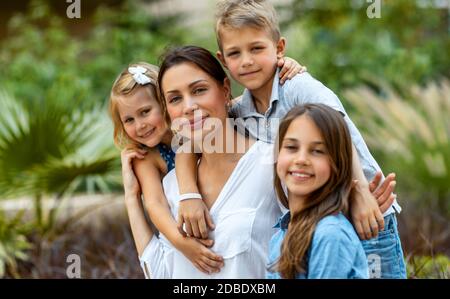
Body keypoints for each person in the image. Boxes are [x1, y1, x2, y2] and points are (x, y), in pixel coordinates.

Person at [211, 0, 406, 278]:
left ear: (279, 48)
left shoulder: (298, 86)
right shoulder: (241, 112)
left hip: (368, 211)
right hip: (315, 223)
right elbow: (196, 129)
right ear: (223, 60)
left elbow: (338, 128)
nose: (247, 61)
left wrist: (360, 192)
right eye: (235, 53)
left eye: (257, 48)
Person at [109, 60, 304, 277]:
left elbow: (245, 99)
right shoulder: (146, 157)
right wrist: (183, 244)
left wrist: (282, 67)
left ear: (163, 105)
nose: (140, 125)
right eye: (128, 120)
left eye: (145, 112)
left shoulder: (195, 127)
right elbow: (154, 204)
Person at [268, 104, 368, 279]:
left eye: (317, 151)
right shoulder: (280, 235)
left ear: (338, 162)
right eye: (291, 147)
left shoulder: (330, 234)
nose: (301, 159)